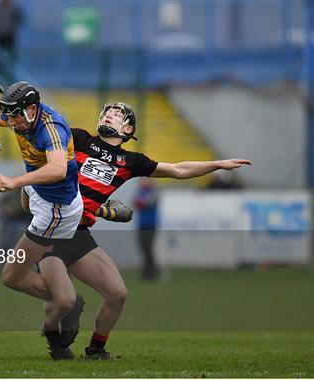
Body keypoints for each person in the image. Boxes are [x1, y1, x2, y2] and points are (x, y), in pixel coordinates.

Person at [18, 102, 251, 359]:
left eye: (116, 115)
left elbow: (178, 169)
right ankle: (53, 336)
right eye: (107, 112)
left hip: (80, 235)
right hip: (52, 231)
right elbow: (47, 142)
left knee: (117, 294)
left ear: (127, 128)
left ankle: (96, 350)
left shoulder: (131, 161)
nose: (109, 115)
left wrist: (217, 164)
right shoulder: (79, 138)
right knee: (63, 301)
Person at [0, 81, 85, 360]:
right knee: (56, 290)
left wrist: (14, 182)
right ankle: (66, 301)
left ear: (32, 109)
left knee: (12, 276)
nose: (9, 124)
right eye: (8, 117)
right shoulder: (20, 115)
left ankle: (57, 318)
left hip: (56, 210)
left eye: (13, 117)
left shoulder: (51, 128)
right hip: (37, 195)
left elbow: (58, 169)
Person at [0, 0, 23, 82]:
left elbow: (20, 19)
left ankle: (9, 81)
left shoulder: (14, 9)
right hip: (0, 37)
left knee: (10, 61)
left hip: (10, 37)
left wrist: (12, 28)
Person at [134, 177, 159, 281]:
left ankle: (151, 273)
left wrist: (142, 202)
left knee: (148, 249)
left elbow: (146, 203)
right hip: (141, 224)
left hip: (151, 225)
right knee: (144, 249)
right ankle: (146, 272)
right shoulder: (141, 191)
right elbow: (136, 203)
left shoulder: (154, 192)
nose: (143, 182)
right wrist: (142, 202)